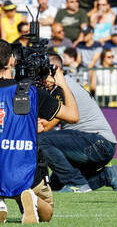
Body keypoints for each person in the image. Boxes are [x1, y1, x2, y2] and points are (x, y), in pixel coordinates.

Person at [0, 39, 79, 223]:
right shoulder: (31, 92)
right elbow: (73, 116)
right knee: (47, 213)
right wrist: (62, 83)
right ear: (11, 61)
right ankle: (32, 199)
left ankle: (1, 202)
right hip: (27, 172)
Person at [38, 53, 117, 193]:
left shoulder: (61, 88)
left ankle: (76, 182)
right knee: (54, 187)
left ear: (53, 70)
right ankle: (108, 176)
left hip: (95, 143)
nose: (40, 78)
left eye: (42, 73)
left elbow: (46, 126)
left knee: (40, 141)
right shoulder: (65, 84)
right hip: (98, 144)